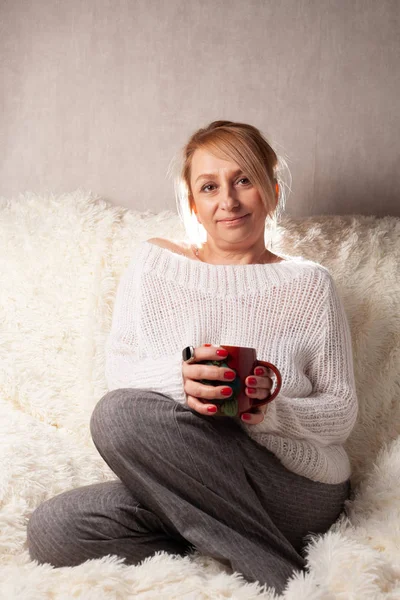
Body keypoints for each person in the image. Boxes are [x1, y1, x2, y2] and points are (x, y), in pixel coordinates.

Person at [26, 120, 358, 594]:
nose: (229, 199)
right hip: (188, 467)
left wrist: (270, 412)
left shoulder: (310, 284)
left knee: (118, 416)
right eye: (210, 186)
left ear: (272, 190)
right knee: (55, 529)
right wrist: (181, 380)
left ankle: (284, 579)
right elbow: (122, 370)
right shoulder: (155, 264)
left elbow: (341, 411)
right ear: (194, 203)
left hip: (289, 483)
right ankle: (222, 535)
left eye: (243, 179)